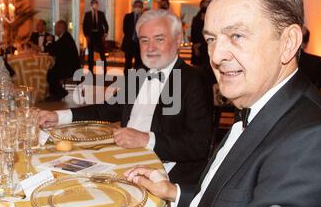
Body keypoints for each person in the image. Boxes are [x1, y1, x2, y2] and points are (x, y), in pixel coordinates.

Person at [124, 0, 321, 207]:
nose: (217, 56)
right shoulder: (259, 103)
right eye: (211, 39)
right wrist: (173, 192)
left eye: (237, 36)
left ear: (288, 42)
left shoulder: (316, 143)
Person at [39, 10, 214, 185]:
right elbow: (106, 110)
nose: (150, 48)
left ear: (177, 41)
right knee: (62, 177)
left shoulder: (195, 80)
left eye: (159, 39)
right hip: (125, 157)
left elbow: (199, 144)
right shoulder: (138, 74)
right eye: (145, 40)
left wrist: (146, 139)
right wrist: (58, 116)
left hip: (166, 169)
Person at [46, 20, 81, 100]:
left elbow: (52, 51)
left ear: (61, 28)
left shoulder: (65, 38)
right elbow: (56, 48)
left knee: (50, 73)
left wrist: (49, 41)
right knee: (51, 72)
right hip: (69, 65)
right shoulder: (65, 37)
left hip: (70, 68)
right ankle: (57, 93)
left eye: (56, 28)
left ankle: (59, 93)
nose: (55, 30)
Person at [190, 0, 216, 85]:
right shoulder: (196, 19)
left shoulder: (213, 19)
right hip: (197, 47)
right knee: (197, 70)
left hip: (208, 47)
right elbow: (193, 33)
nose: (205, 7)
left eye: (206, 5)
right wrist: (195, 46)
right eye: (203, 5)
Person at [82, 0, 109, 74]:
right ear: (91, 5)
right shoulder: (87, 14)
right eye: (93, 4)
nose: (95, 5)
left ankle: (104, 70)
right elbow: (84, 26)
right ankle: (90, 71)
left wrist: (105, 34)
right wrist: (86, 36)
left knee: (102, 54)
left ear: (98, 5)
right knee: (90, 54)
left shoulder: (101, 14)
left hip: (99, 36)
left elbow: (105, 25)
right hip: (91, 36)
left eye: (96, 4)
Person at [122, 0, 144, 72]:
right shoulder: (128, 16)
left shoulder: (145, 18)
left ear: (142, 8)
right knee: (128, 63)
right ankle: (127, 80)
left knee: (138, 63)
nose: (137, 8)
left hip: (139, 44)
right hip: (129, 43)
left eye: (139, 6)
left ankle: (136, 80)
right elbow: (125, 30)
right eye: (136, 6)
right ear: (133, 7)